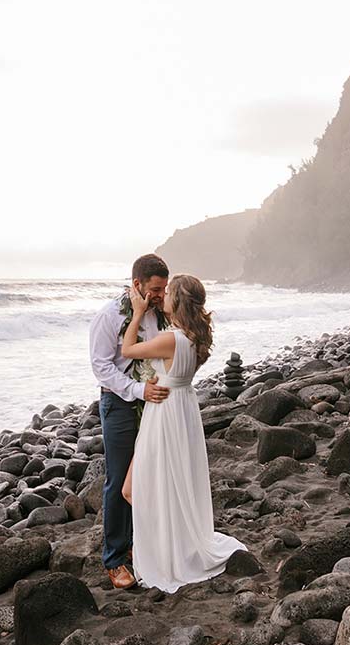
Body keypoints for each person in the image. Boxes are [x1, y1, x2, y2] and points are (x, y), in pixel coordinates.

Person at [120, 273, 247, 593]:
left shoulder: (172, 339)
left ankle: (163, 554)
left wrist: (136, 313)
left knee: (138, 488)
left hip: (164, 411)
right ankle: (168, 544)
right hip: (181, 408)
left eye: (168, 294)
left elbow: (127, 349)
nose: (163, 298)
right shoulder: (194, 337)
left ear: (177, 301)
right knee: (167, 482)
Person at [89, 254, 170, 590]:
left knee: (148, 474)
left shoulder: (159, 315)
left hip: (153, 403)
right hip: (120, 403)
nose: (160, 295)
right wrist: (139, 390)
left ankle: (142, 544)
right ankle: (114, 559)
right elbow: (101, 366)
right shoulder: (108, 316)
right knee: (119, 480)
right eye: (155, 289)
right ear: (137, 284)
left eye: (164, 289)